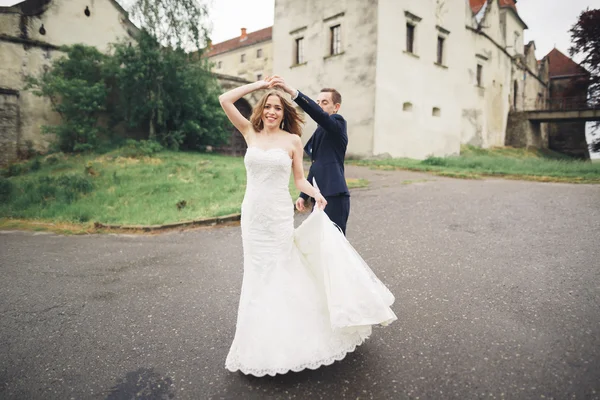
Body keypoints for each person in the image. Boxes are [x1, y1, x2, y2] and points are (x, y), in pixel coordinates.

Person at [219, 78, 396, 377]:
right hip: (252, 216)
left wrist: (316, 194)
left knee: (280, 270)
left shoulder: (293, 141)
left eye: (277, 108)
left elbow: (299, 179)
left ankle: (291, 335)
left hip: (277, 216)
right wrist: (260, 84)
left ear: (283, 113)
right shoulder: (250, 131)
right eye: (268, 106)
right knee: (257, 273)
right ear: (261, 110)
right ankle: (258, 339)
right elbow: (225, 99)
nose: (272, 111)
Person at [268, 76, 351, 234]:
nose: (319, 106)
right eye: (318, 102)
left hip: (334, 194)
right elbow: (316, 165)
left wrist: (293, 92)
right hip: (319, 196)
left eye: (324, 103)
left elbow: (319, 115)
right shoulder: (320, 131)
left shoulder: (338, 123)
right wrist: (303, 195)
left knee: (335, 245)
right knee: (319, 243)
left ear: (336, 107)